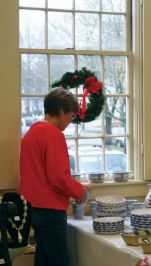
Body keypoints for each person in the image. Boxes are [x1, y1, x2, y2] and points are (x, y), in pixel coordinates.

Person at [19, 88, 90, 266]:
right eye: (71, 116)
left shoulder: (31, 133)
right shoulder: (53, 134)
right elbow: (58, 177)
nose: (70, 122)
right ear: (60, 111)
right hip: (50, 210)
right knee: (58, 261)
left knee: (43, 258)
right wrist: (79, 190)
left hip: (32, 208)